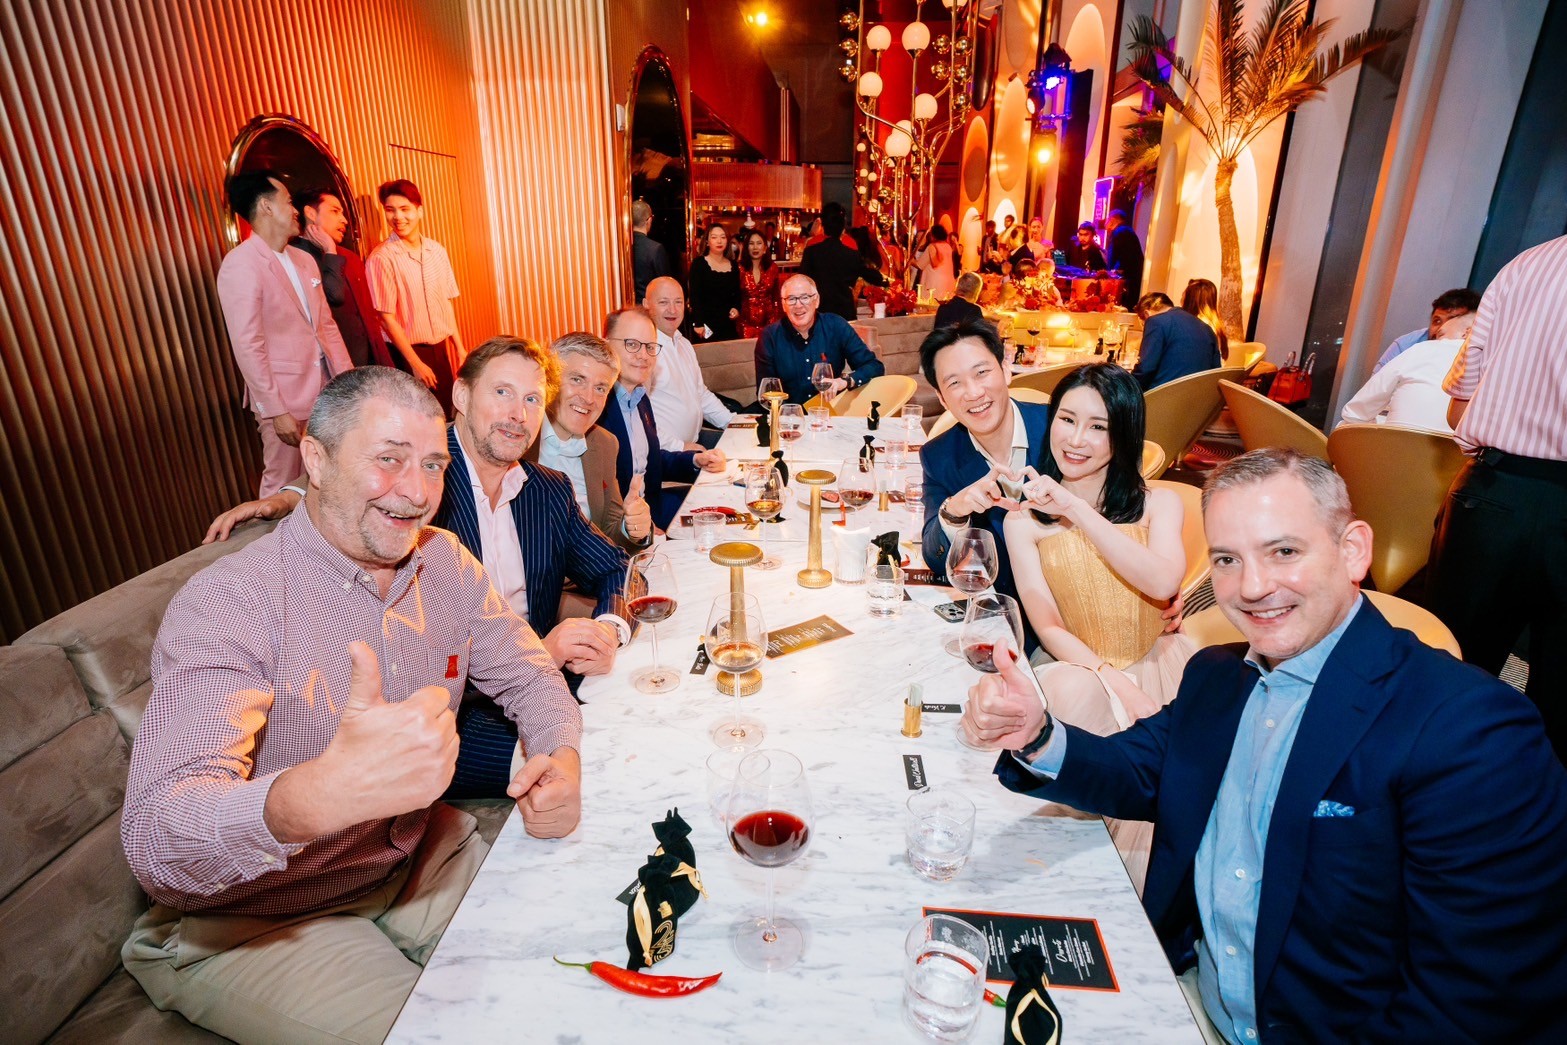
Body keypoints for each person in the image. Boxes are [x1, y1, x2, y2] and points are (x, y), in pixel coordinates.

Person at [965, 448, 1567, 1042]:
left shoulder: (1472, 731)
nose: (1252, 587)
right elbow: (1139, 769)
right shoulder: (1218, 677)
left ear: (1353, 550)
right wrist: (1038, 733)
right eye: (1227, 559)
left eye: (1283, 551)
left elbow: (1472, 1007)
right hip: (1194, 1000)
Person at [123, 366, 584, 1044]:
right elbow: (157, 838)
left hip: (411, 858)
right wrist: (311, 798)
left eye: (433, 465)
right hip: (256, 918)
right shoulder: (230, 602)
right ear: (315, 459)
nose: (417, 492)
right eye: (389, 459)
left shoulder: (445, 563)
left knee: (578, 958)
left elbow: (531, 676)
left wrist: (561, 758)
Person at [1004, 363, 1195, 888]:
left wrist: (1078, 510)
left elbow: (1162, 582)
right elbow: (1047, 625)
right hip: (1082, 666)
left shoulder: (1160, 503)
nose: (1076, 439)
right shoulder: (1022, 521)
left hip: (1161, 662)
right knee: (1070, 698)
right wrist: (1114, 680)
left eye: (1098, 427)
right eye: (1067, 419)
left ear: (1124, 434)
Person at [1431, 233, 1567, 759]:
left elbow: (1458, 409)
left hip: (1491, 494)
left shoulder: (1527, 264)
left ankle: (1426, 794)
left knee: (1451, 674)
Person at [215, 169, 354, 496]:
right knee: (282, 485)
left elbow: (326, 327)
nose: (295, 210)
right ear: (266, 206)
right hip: (285, 399)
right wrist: (276, 411)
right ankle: (275, 532)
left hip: (327, 394)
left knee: (329, 478)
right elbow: (248, 345)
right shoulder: (241, 264)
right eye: (288, 201)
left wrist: (350, 385)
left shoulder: (304, 259)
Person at [919, 319, 1049, 629]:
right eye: (954, 383)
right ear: (941, 398)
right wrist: (954, 512)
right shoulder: (939, 455)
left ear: (1005, 369)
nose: (973, 392)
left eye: (981, 373)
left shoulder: (1058, 430)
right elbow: (936, 557)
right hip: (1005, 619)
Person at [596, 306, 725, 529]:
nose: (643, 355)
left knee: (722, 504)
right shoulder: (596, 407)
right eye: (632, 344)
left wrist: (695, 460)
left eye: (650, 347)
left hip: (654, 505)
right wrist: (639, 530)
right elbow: (597, 496)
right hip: (625, 526)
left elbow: (650, 461)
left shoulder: (639, 399)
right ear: (606, 345)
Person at [531, 332, 653, 552]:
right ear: (550, 380)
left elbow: (608, 531)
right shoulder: (522, 437)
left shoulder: (605, 444)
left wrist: (631, 527)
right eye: (577, 380)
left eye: (600, 388)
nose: (588, 398)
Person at [366, 178, 465, 415]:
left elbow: (446, 302)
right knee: (418, 418)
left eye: (404, 209)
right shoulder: (382, 258)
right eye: (390, 210)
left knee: (446, 413)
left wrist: (460, 348)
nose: (397, 217)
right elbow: (386, 319)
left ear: (419, 211)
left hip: (439, 350)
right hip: (407, 353)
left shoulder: (436, 250)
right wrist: (415, 363)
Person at [290, 188, 392, 369]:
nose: (344, 220)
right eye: (335, 211)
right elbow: (334, 296)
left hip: (367, 364)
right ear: (310, 213)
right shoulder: (295, 257)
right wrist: (330, 251)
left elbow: (369, 319)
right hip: (332, 367)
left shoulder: (349, 257)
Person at [755, 274, 884, 405]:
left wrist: (845, 381)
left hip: (830, 411)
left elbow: (874, 366)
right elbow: (767, 391)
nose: (798, 305)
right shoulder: (769, 337)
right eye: (791, 299)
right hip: (787, 413)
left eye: (805, 297)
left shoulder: (836, 326)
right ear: (783, 305)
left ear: (816, 300)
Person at [1336, 312, 1474, 433]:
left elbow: (1356, 412)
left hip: (1396, 448)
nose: (1437, 340)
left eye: (1441, 334)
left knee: (1348, 426)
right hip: (1452, 453)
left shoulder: (1422, 349)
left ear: (1467, 333)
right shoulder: (1483, 370)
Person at [645, 275, 735, 450]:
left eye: (678, 302)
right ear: (646, 304)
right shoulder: (644, 351)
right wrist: (681, 447)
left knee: (748, 444)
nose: (672, 310)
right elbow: (640, 420)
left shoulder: (684, 344)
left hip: (694, 440)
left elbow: (701, 394)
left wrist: (733, 423)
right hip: (667, 451)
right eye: (663, 302)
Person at [1371, 287, 1481, 374]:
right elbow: (1375, 387)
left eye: (1451, 321)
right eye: (1437, 321)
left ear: (1469, 327)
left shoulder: (1479, 355)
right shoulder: (1405, 346)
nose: (1441, 329)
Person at [800, 202, 875, 322]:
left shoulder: (811, 245)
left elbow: (804, 279)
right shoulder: (850, 245)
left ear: (823, 223)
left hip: (818, 309)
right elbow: (855, 278)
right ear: (842, 224)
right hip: (843, 308)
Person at [1131, 292, 1221, 390]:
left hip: (1164, 394)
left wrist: (1127, 384)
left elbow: (1145, 368)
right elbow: (1215, 371)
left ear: (1147, 314)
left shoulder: (1155, 321)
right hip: (1199, 395)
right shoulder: (1207, 328)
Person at [686, 223, 741, 341]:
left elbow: (737, 294)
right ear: (707, 242)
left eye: (723, 237)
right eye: (714, 237)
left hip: (727, 324)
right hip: (705, 326)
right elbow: (695, 296)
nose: (719, 241)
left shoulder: (734, 265)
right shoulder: (699, 264)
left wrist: (736, 308)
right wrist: (698, 323)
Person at [737, 228, 783, 337]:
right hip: (745, 325)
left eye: (759, 243)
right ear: (746, 247)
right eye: (751, 243)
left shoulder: (772, 268)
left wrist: (777, 323)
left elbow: (776, 297)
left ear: (765, 248)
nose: (755, 247)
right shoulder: (739, 268)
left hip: (769, 324)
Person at [630, 199, 671, 302]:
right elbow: (665, 284)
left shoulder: (621, 247)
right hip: (649, 305)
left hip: (626, 304)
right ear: (649, 220)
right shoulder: (655, 249)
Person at [1181, 278, 1229, 363]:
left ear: (1191, 300)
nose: (1181, 298)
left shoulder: (1198, 325)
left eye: (1184, 295)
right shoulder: (1214, 323)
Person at [1105, 209, 1145, 308]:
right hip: (1129, 278)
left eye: (1107, 219)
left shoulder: (1122, 232)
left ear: (1112, 220)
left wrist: (1115, 272)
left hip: (1126, 281)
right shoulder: (1125, 231)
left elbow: (1125, 256)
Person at [915, 225, 957, 299]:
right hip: (948, 282)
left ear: (933, 235)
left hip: (934, 282)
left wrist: (910, 260)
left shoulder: (932, 246)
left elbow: (920, 265)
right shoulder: (948, 246)